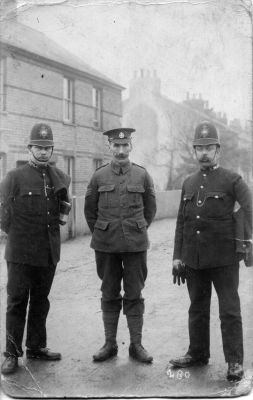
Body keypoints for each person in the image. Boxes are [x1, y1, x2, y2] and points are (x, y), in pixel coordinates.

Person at [169, 121, 252, 381]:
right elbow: (182, 221)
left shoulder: (232, 179)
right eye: (199, 148)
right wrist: (177, 256)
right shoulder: (189, 182)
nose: (204, 152)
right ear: (194, 151)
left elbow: (250, 210)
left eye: (209, 147)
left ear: (218, 150)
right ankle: (197, 353)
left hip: (225, 259)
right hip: (194, 259)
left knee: (229, 310)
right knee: (197, 308)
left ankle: (235, 361)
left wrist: (249, 242)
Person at [0, 123, 71, 375]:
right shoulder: (14, 178)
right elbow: (3, 215)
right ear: (28, 148)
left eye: (47, 148)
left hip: (48, 251)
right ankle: (11, 353)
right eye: (38, 147)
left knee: (41, 301)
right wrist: (20, 236)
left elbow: (62, 208)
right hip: (20, 252)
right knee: (17, 301)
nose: (43, 152)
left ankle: (36, 347)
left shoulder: (57, 177)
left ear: (51, 150)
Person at [84, 128, 156, 363]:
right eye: (116, 146)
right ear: (110, 147)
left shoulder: (142, 175)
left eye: (125, 146)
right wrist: (103, 230)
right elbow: (90, 211)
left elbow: (150, 209)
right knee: (109, 293)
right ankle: (110, 344)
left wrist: (138, 228)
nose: (121, 150)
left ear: (131, 147)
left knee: (135, 293)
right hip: (106, 245)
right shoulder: (99, 176)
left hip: (135, 245)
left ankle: (136, 345)